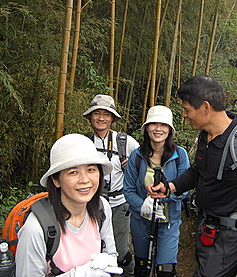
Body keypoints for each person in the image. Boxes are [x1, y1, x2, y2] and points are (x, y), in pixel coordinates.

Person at [149, 76, 237, 277]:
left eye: (187, 109)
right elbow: (198, 172)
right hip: (207, 227)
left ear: (205, 107)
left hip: (231, 236)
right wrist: (170, 186)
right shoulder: (205, 136)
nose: (184, 115)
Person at [16, 133, 120, 277]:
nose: (84, 180)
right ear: (56, 180)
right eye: (73, 172)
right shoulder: (36, 229)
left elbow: (111, 253)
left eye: (91, 169)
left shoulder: (101, 208)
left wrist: (108, 263)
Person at [123, 105, 190, 277]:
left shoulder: (180, 155)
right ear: (146, 127)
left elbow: (184, 188)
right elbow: (128, 190)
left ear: (169, 129)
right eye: (154, 124)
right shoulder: (137, 157)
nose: (158, 129)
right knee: (142, 268)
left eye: (163, 125)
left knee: (166, 271)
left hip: (169, 221)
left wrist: (165, 197)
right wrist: (144, 204)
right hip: (141, 221)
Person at [83, 94, 139, 276]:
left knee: (120, 251)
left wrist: (132, 165)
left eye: (106, 114)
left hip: (119, 204)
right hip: (90, 204)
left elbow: (145, 165)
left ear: (112, 118)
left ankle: (130, 273)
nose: (101, 118)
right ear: (90, 117)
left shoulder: (125, 142)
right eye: (96, 113)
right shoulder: (83, 143)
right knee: (93, 250)